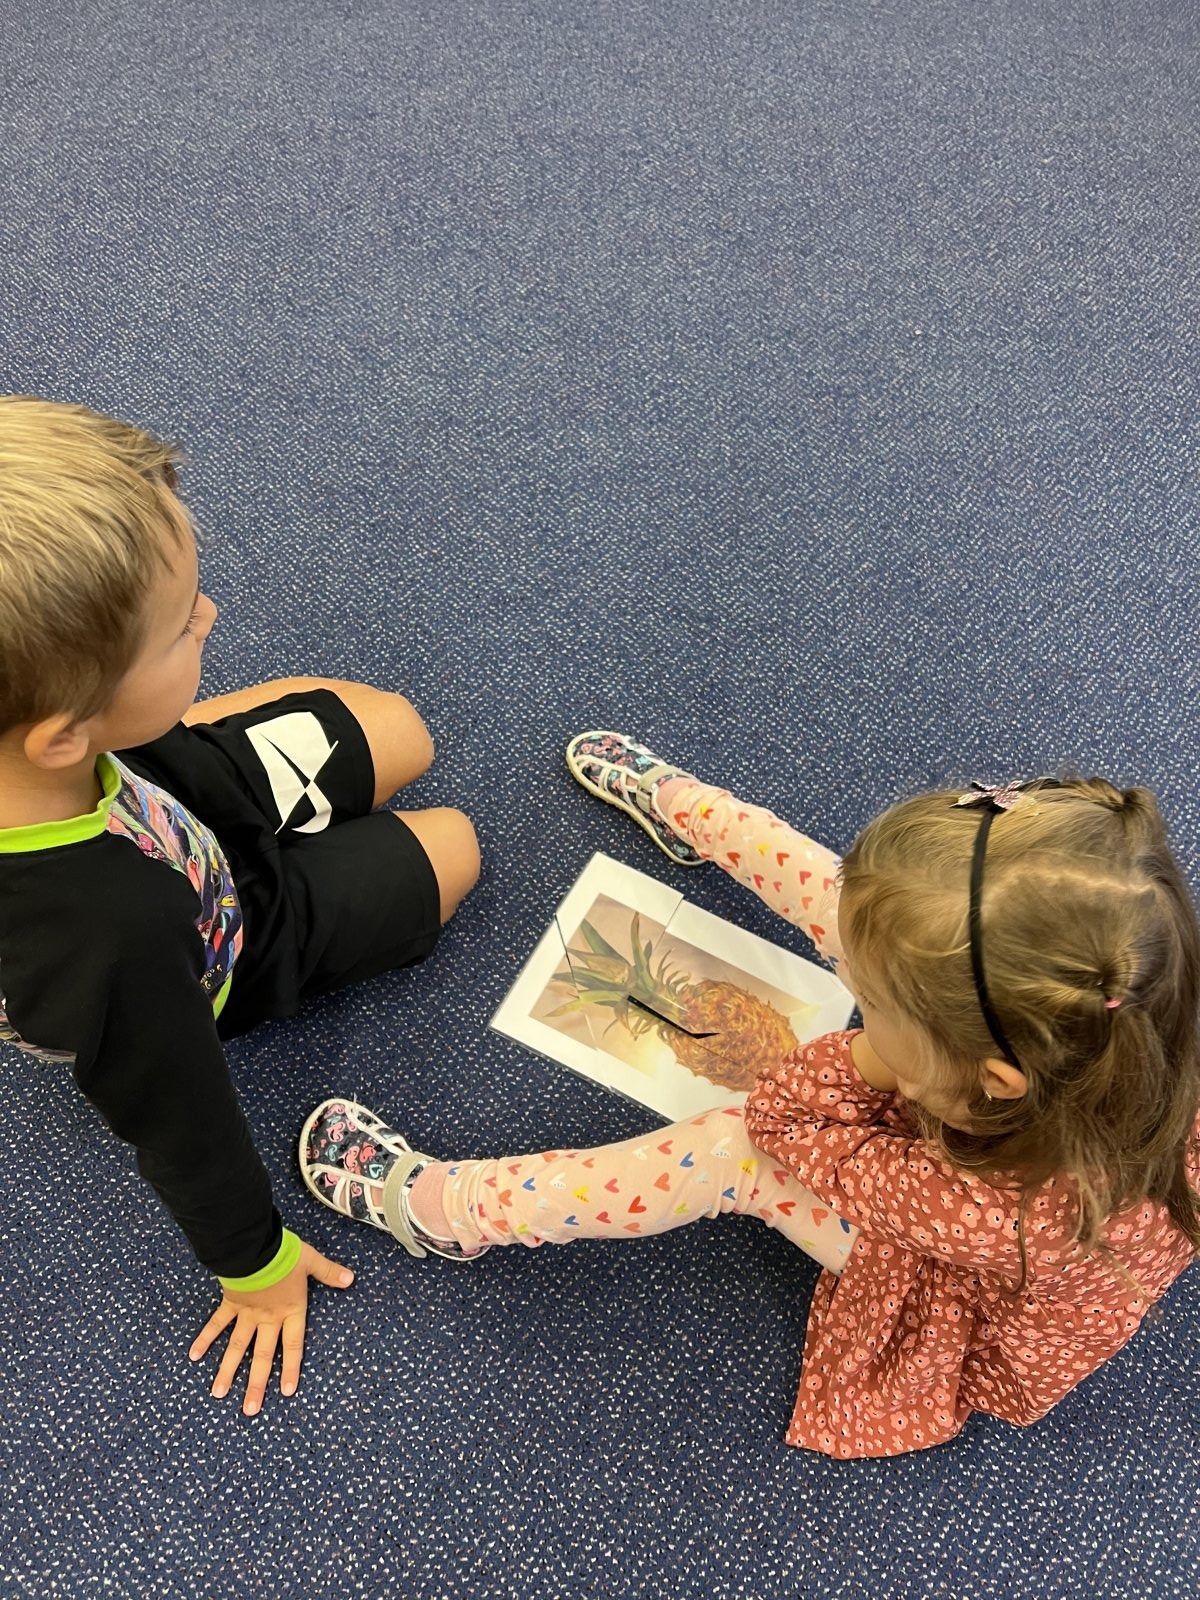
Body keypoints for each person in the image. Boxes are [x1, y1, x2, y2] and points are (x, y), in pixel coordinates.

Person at [302, 731, 1200, 1457]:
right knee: (874, 918)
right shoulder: (1132, 1010)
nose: (855, 996)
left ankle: (448, 1212)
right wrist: (899, 1022)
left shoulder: (988, 1214)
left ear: (991, 1081)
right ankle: (683, 806)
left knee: (731, 1151)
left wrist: (868, 1061)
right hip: (1009, 1138)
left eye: (874, 1006)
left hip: (953, 1285)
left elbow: (782, 1117)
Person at [0, 396, 480, 1416]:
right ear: (60, 733)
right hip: (231, 940)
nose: (212, 614)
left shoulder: (51, 747)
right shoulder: (106, 937)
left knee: (403, 729)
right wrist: (252, 1265)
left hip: (175, 781)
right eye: (183, 625)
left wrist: (151, 716)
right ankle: (158, 720)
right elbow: (181, 1119)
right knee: (458, 846)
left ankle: (158, 715)